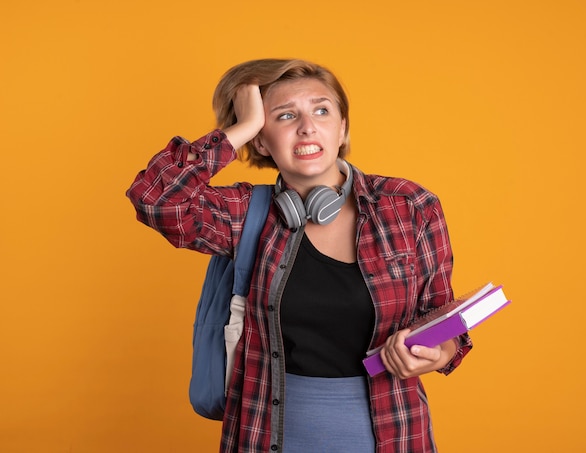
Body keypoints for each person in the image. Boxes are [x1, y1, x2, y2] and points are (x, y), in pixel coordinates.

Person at [127, 58, 472, 453]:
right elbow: (156, 199)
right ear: (261, 139)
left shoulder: (408, 205)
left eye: (322, 110)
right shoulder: (245, 215)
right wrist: (238, 129)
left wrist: (436, 352)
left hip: (393, 433)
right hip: (265, 436)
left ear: (342, 129)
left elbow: (443, 318)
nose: (307, 127)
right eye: (285, 115)